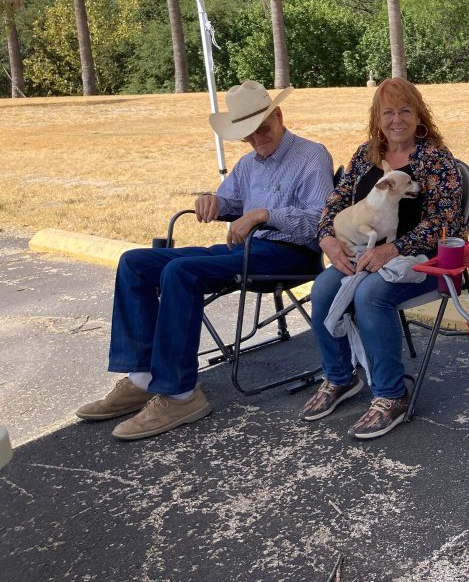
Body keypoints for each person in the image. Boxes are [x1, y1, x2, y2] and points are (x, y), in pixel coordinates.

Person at [76, 80, 334, 440]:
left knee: (181, 271)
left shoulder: (311, 155)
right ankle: (142, 377)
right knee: (134, 262)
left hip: (291, 254)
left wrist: (263, 214)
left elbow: (319, 222)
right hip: (245, 251)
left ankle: (180, 394)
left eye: (262, 128)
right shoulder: (248, 164)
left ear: (278, 115)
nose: (256, 139)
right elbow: (230, 202)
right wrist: (212, 201)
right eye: (247, 134)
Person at [300, 77, 463, 440]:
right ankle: (340, 377)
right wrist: (328, 239)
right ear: (377, 118)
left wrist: (394, 248)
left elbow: (446, 220)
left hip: (422, 260)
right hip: (364, 254)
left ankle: (391, 395)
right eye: (388, 112)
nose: (396, 120)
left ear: (419, 116)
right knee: (324, 287)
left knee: (370, 294)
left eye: (405, 111)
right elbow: (334, 203)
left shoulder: (435, 159)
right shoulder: (366, 155)